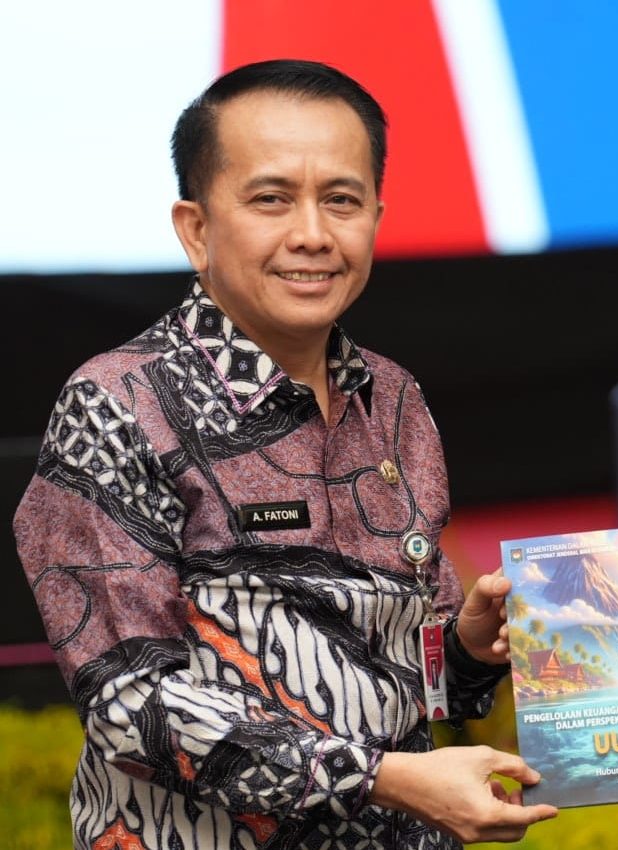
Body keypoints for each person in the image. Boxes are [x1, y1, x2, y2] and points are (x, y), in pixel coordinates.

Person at [13, 59, 557, 849]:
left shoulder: (392, 397)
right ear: (196, 228)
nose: (312, 233)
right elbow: (129, 704)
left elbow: (406, 684)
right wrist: (379, 779)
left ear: (375, 216)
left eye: (341, 200)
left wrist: (467, 648)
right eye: (271, 199)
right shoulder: (118, 405)